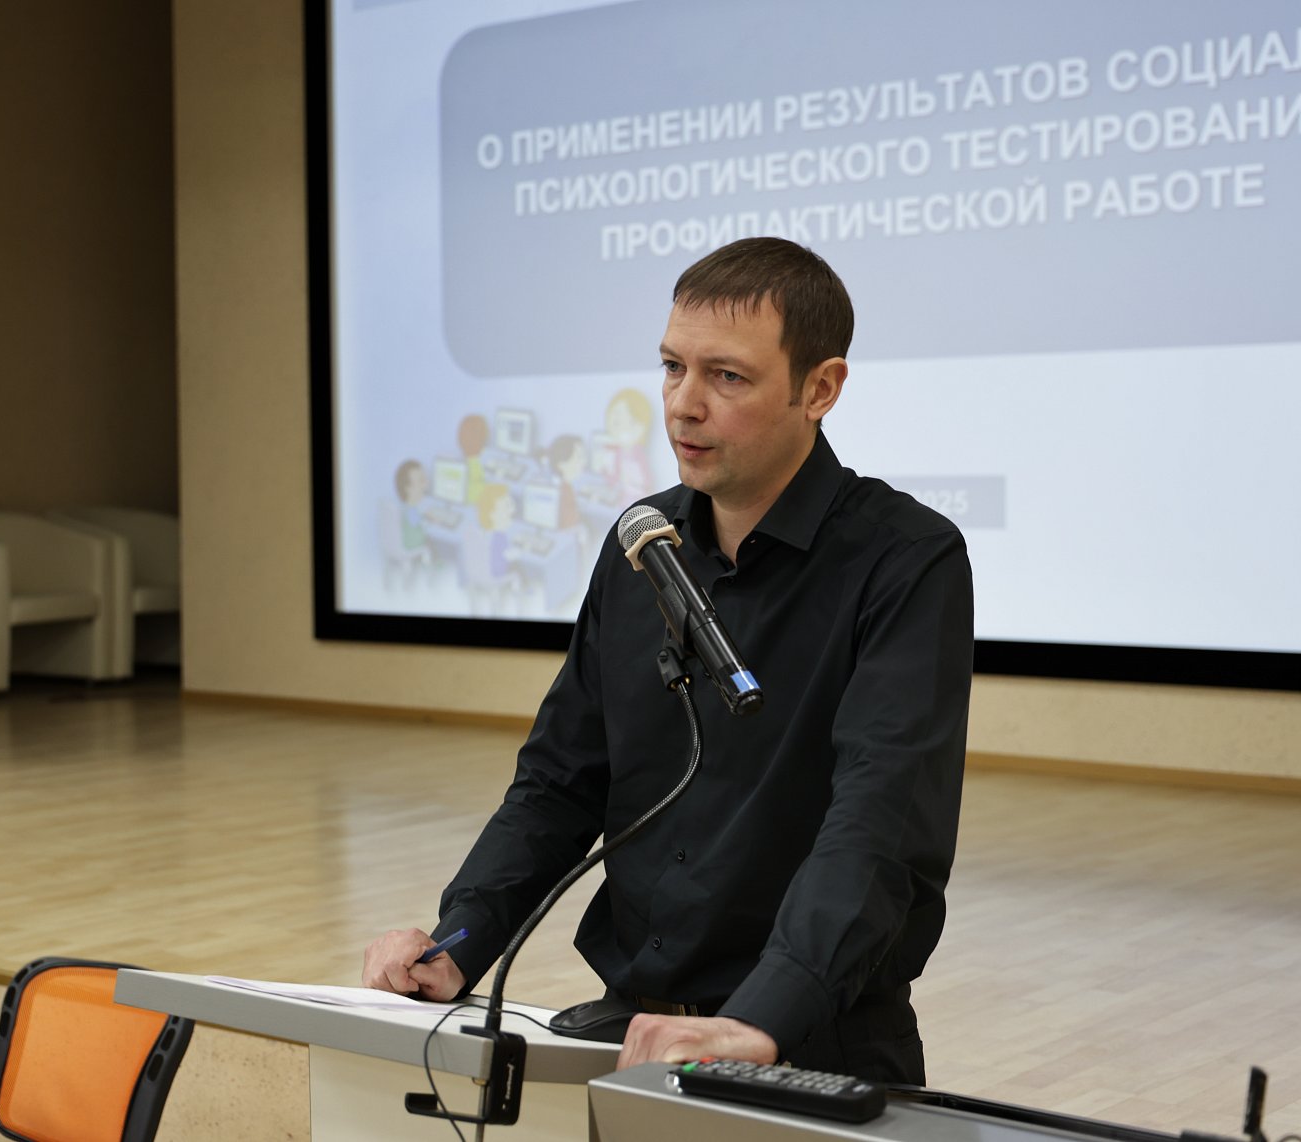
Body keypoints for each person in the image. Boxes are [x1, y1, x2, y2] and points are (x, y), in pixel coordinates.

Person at [362, 237, 973, 1084]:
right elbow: (559, 782)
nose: (684, 405)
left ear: (821, 389)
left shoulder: (905, 560)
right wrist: (459, 939)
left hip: (809, 1037)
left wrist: (763, 1016)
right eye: (672, 367)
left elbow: (879, 824)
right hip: (633, 1032)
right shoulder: (641, 545)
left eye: (727, 377)